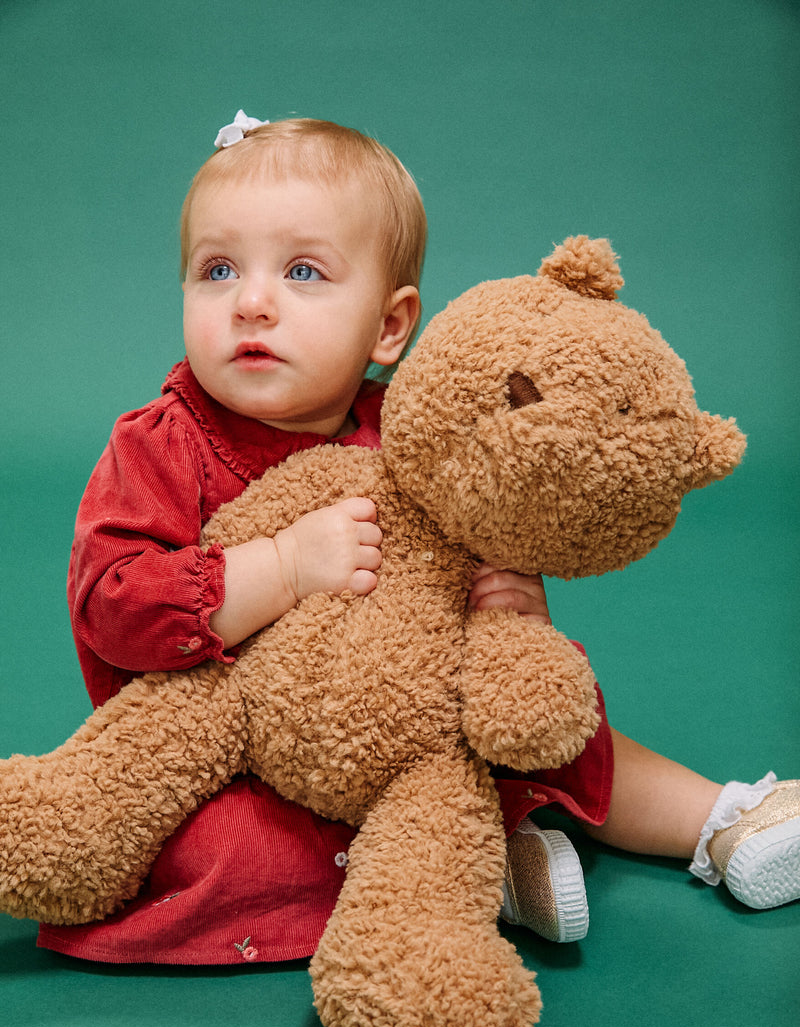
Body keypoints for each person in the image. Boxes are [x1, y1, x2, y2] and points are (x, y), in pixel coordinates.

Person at [37, 112, 799, 966]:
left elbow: (478, 537)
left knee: (555, 720)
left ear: (390, 327)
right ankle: (475, 869)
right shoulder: (159, 444)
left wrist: (511, 603)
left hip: (420, 721)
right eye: (217, 270)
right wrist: (283, 567)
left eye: (302, 271)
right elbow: (115, 605)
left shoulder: (416, 434)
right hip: (247, 739)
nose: (251, 300)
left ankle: (722, 819)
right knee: (228, 844)